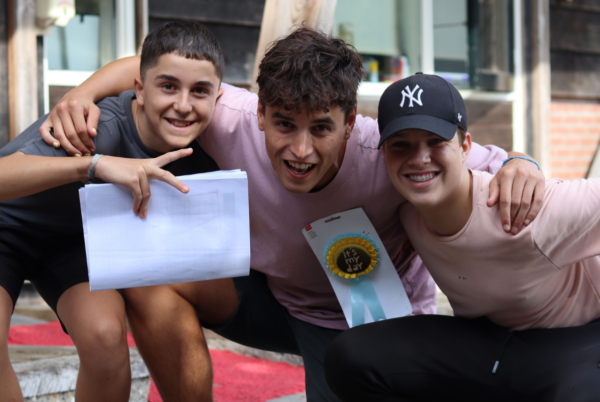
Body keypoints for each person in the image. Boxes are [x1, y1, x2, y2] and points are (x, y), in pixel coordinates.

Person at [40, 29, 545, 402]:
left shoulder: (390, 148)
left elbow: (493, 159)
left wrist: (523, 164)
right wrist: (81, 94)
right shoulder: (229, 115)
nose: (300, 150)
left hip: (366, 319)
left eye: (321, 129)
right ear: (260, 113)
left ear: (350, 123)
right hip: (271, 298)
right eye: (284, 124)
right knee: (151, 279)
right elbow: (146, 65)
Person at [324, 73, 600, 402]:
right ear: (384, 153)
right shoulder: (406, 210)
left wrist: (522, 160)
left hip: (576, 343)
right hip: (489, 344)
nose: (419, 158)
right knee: (352, 356)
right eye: (401, 144)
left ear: (465, 146)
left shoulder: (526, 208)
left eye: (435, 141)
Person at [0, 21, 223, 401]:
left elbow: (157, 66)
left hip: (73, 239)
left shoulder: (212, 134)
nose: (184, 105)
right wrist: (94, 164)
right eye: (168, 87)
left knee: (105, 337)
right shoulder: (93, 127)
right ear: (140, 90)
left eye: (199, 91)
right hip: (7, 224)